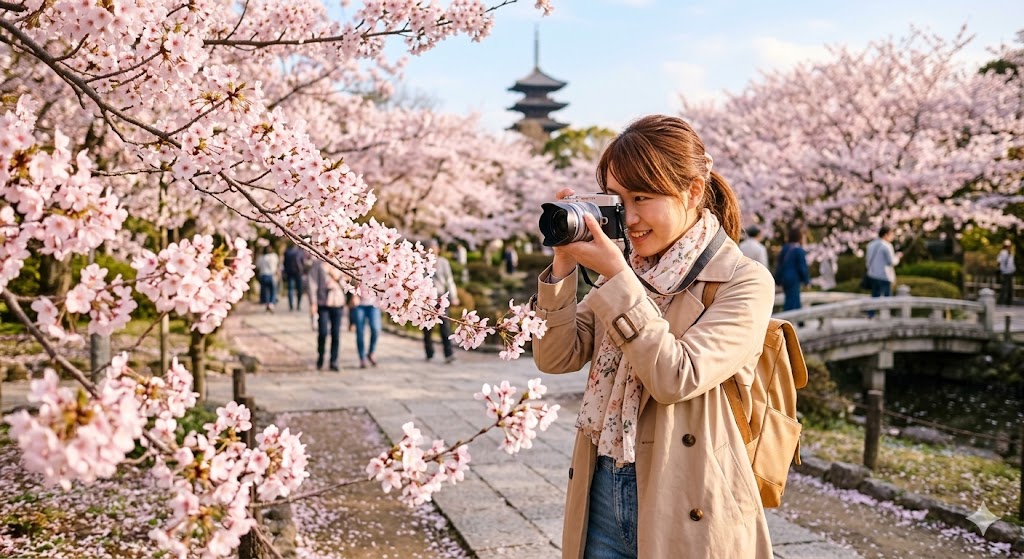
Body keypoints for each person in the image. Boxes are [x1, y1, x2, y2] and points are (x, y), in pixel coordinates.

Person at [531, 115, 774, 558]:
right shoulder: (631, 274)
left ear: (693, 191)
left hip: (688, 499)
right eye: (618, 199)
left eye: (642, 197)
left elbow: (675, 377)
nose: (631, 217)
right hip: (602, 486)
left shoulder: (743, 280)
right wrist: (564, 265)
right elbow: (556, 356)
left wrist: (617, 275)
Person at [423, 239, 459, 364]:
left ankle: (448, 353)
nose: (432, 251)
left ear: (438, 249)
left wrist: (454, 296)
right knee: (427, 328)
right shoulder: (422, 263)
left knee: (445, 326)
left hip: (441, 297)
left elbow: (449, 280)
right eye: (429, 249)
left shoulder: (443, 262)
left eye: (434, 248)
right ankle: (429, 352)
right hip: (427, 299)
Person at [308, 259, 347, 371]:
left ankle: (334, 360)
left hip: (337, 302)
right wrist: (313, 302)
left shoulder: (342, 261)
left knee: (336, 333)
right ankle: (321, 356)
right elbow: (312, 283)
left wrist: (338, 277)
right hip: (323, 302)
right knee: (323, 332)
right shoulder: (318, 263)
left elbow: (347, 284)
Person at [775, 227, 810, 311]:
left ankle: (797, 321)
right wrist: (806, 281)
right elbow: (802, 267)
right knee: (793, 300)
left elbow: (779, 265)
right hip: (794, 279)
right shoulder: (799, 250)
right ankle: (792, 321)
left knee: (789, 299)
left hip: (784, 278)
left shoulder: (784, 248)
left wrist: (778, 280)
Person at [865, 226, 902, 299]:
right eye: (891, 234)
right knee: (886, 300)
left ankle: (871, 311)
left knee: (874, 298)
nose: (893, 237)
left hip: (872, 275)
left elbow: (867, 260)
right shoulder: (887, 246)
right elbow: (892, 261)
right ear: (886, 235)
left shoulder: (871, 244)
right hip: (884, 276)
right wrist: (898, 257)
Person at [351, 290, 381, 368]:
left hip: (374, 304)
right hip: (360, 304)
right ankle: (362, 358)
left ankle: (371, 352)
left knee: (376, 329)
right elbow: (352, 281)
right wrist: (354, 295)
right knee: (360, 332)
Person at [282, 242, 307, 311]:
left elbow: (284, 263)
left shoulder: (287, 252)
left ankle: (291, 306)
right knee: (299, 290)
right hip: (298, 272)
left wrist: (285, 272)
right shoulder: (300, 252)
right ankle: (298, 305)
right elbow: (303, 262)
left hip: (289, 272)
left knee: (290, 289)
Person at [255, 245, 280, 312]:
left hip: (263, 275)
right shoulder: (274, 256)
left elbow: (257, 266)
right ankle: (271, 304)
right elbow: (277, 265)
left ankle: (267, 303)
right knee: (273, 291)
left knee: (265, 291)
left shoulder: (261, 257)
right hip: (272, 275)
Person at [998, 239, 1016, 306]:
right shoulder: (1003, 252)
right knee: (1005, 287)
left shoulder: (1010, 253)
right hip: (1006, 272)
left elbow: (999, 261)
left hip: (1009, 272)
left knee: (1008, 288)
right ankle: (1003, 302)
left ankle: (1007, 302)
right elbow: (999, 261)